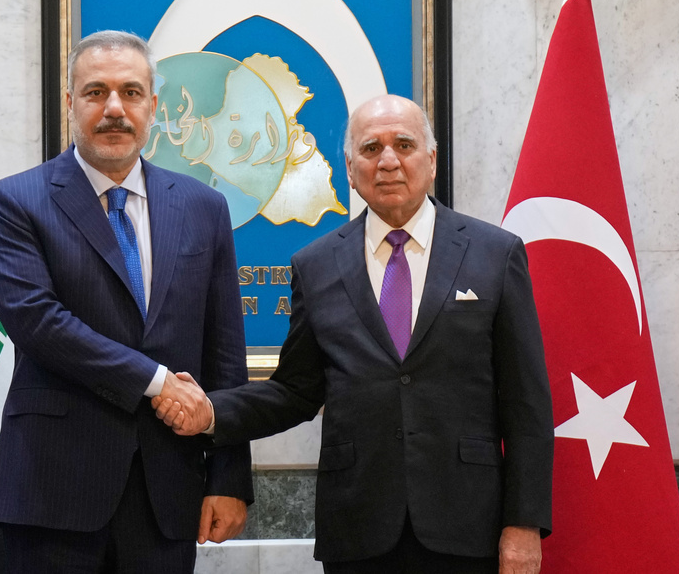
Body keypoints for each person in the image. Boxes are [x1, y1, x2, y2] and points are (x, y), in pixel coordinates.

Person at [156, 95, 554, 573]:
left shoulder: (496, 253)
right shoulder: (316, 265)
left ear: (431, 161)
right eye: (371, 148)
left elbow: (526, 403)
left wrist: (524, 524)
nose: (387, 160)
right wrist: (211, 413)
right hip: (359, 529)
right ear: (349, 167)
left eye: (403, 145)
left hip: (469, 527)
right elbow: (295, 392)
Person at [0, 30, 252, 573]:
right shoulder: (14, 202)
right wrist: (157, 382)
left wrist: (229, 478)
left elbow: (224, 348)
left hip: (166, 492)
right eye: (95, 92)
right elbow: (38, 323)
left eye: (130, 92)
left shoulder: (204, 207)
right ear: (71, 104)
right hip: (52, 491)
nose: (113, 109)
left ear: (153, 105)